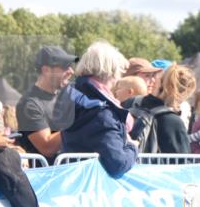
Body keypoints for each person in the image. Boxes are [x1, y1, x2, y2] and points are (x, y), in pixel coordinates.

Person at [53, 41, 137, 177]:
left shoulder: (72, 95)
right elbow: (118, 164)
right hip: (93, 187)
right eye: (119, 72)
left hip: (72, 178)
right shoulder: (101, 112)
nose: (118, 78)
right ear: (111, 72)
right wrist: (132, 147)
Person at [16, 45, 77, 163]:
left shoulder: (67, 95)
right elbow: (47, 147)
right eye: (65, 67)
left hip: (69, 172)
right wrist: (78, 123)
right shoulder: (29, 104)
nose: (71, 71)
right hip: (44, 176)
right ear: (46, 70)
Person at [129, 64, 196, 154]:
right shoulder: (173, 121)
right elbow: (183, 163)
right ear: (184, 93)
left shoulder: (132, 102)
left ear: (159, 81)